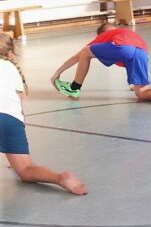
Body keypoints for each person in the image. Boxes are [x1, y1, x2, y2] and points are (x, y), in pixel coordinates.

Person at [0, 33, 87, 195]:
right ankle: (60, 177)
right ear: (10, 53)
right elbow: (17, 103)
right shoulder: (12, 69)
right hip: (13, 120)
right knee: (26, 169)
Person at [51, 23, 151, 106]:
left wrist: (58, 72)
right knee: (141, 92)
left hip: (124, 48)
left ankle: (74, 87)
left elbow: (78, 56)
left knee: (86, 51)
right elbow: (131, 56)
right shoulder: (129, 33)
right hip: (143, 53)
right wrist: (135, 85)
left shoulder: (105, 36)